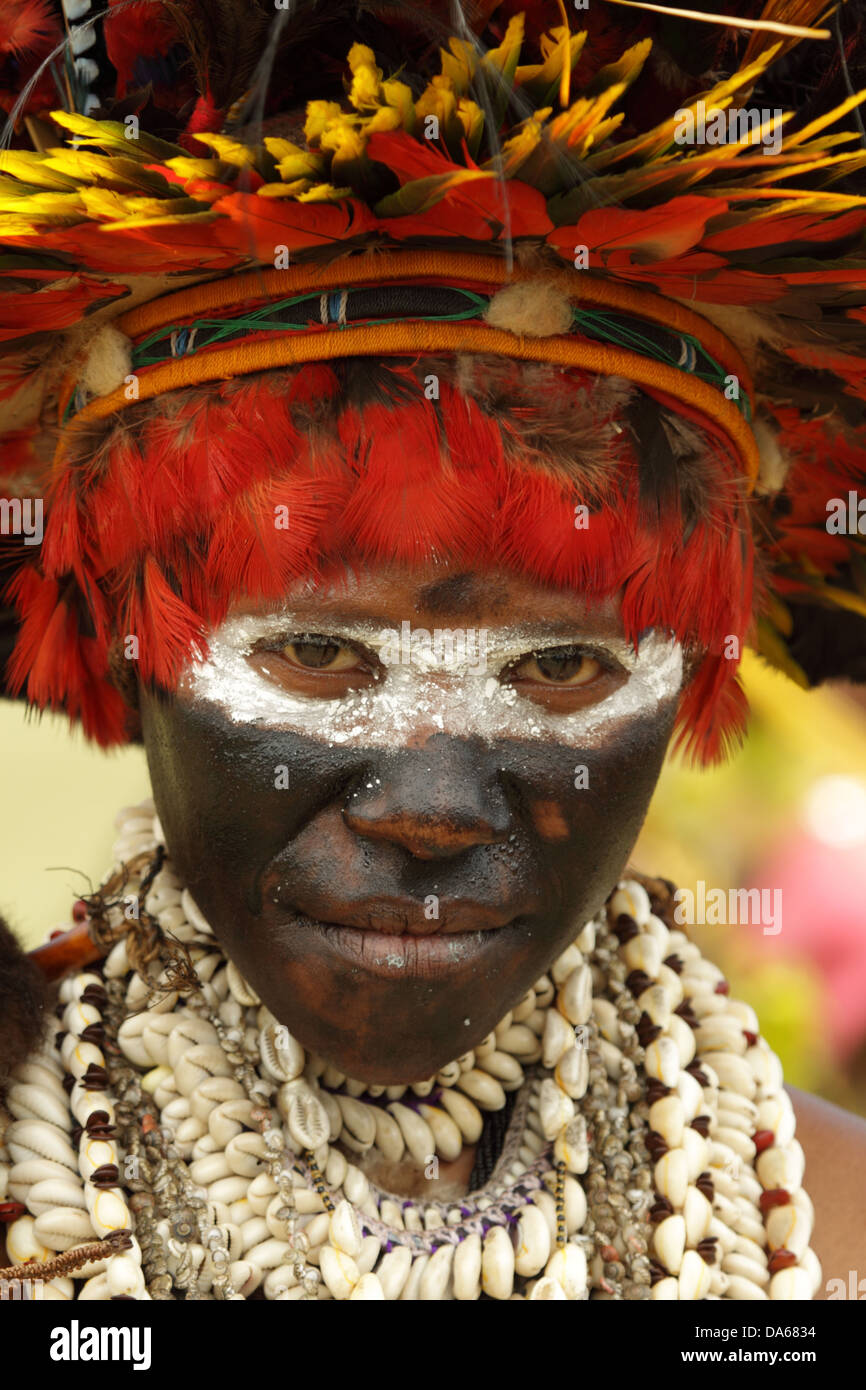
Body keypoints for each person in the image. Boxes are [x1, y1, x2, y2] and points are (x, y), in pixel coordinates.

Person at [1, 0, 865, 1301]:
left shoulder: (822, 1225)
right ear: (128, 643)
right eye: (315, 651)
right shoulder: (35, 1188)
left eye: (560, 668)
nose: (433, 811)